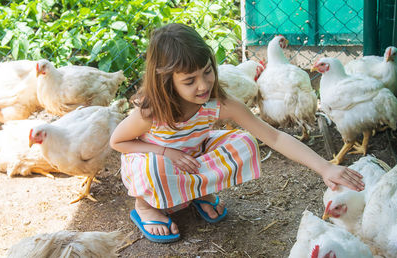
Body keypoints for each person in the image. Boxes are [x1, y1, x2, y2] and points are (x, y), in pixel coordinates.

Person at [109, 23, 365, 243]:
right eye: (189, 81)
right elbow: (118, 141)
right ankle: (144, 206)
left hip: (191, 157)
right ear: (166, 80)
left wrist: (324, 168)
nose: (203, 85)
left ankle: (195, 193)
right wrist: (165, 151)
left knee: (242, 142)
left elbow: (273, 137)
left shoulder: (218, 103)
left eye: (207, 71)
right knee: (156, 164)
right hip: (153, 159)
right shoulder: (152, 112)